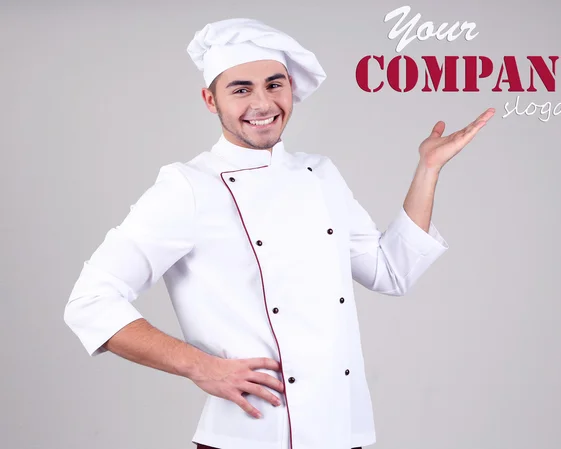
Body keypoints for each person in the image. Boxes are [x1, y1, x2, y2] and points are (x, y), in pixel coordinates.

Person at [64, 17, 494, 449]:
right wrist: (201, 367)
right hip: (247, 437)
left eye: (274, 85)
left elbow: (392, 272)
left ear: (291, 90)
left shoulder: (321, 173)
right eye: (240, 89)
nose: (262, 102)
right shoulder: (188, 186)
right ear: (210, 100)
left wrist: (429, 169)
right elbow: (91, 302)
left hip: (342, 433)